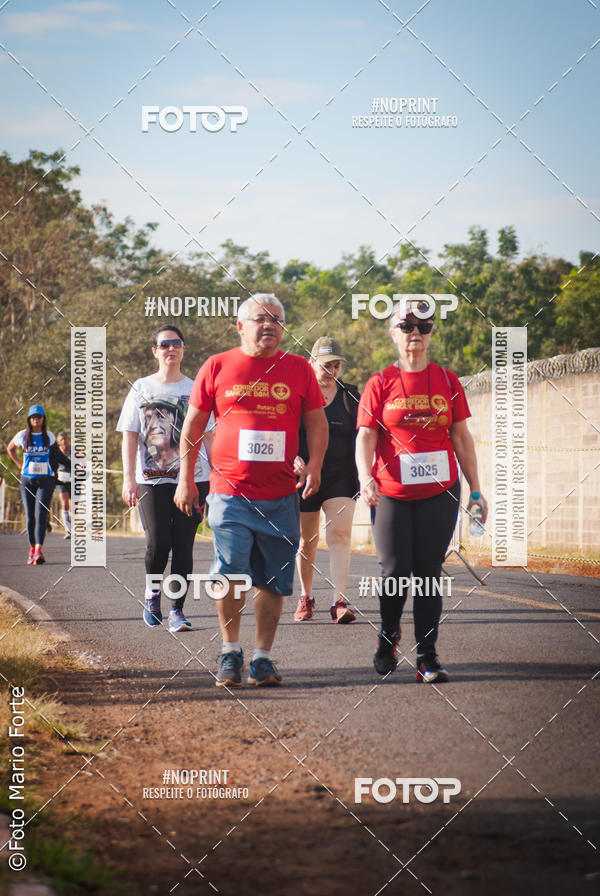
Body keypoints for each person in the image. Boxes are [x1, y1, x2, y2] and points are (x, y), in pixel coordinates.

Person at [175, 293, 328, 688]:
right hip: (229, 492)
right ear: (240, 325)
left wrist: (315, 465)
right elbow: (192, 428)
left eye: (277, 320)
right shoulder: (217, 366)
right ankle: (230, 651)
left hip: (281, 496)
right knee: (229, 573)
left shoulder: (298, 369)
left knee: (272, 580)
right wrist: (186, 478)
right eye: (261, 319)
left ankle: (262, 658)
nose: (270, 326)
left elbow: (316, 424)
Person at [356, 299, 488, 682]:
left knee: (429, 572)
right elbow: (366, 436)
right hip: (391, 492)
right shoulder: (380, 382)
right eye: (406, 325)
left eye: (424, 327)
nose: (415, 332)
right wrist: (366, 477)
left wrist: (476, 490)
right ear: (393, 333)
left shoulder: (447, 380)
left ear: (432, 334)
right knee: (396, 569)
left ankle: (427, 655)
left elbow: (461, 437)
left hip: (441, 490)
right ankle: (388, 636)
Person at [117, 325, 213, 634]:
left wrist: (218, 472)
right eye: (165, 343)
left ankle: (177, 611)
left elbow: (209, 435)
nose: (171, 348)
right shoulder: (141, 388)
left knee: (184, 545)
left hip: (194, 478)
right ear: (155, 351)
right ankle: (152, 594)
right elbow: (130, 436)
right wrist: (128, 479)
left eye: (177, 343)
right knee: (159, 543)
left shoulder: (196, 387)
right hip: (150, 479)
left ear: (183, 349)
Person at [294, 337, 360, 624]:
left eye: (336, 365)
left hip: (341, 476)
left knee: (340, 535)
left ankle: (339, 601)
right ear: (311, 363)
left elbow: (364, 436)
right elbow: (283, 430)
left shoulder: (350, 396)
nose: (332, 370)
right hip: (305, 476)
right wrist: (291, 459)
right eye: (326, 364)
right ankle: (306, 597)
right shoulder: (296, 394)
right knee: (307, 540)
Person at [6, 405, 70, 565]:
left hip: (46, 480)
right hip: (27, 479)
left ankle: (39, 550)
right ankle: (31, 549)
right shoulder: (22, 435)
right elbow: (10, 449)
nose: (36, 419)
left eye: (39, 417)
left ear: (43, 419)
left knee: (41, 514)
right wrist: (20, 465)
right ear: (29, 419)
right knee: (30, 517)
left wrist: (73, 464)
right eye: (33, 417)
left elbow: (58, 456)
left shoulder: (49, 436)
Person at [56, 431, 72, 538]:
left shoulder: (75, 451)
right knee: (64, 503)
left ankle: (73, 528)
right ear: (58, 442)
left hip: (74, 480)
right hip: (61, 480)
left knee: (73, 505)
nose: (64, 441)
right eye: (61, 439)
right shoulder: (56, 452)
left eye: (65, 439)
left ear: (69, 439)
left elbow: (83, 463)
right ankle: (68, 530)